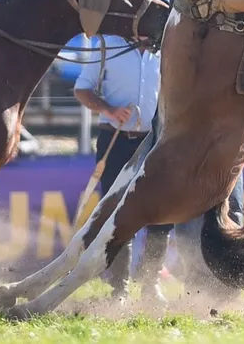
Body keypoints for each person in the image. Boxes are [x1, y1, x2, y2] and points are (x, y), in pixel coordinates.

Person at [74, 34, 167, 302]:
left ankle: (151, 284)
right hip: (116, 141)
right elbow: (83, 89)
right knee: (117, 213)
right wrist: (110, 110)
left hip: (154, 141)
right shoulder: (107, 44)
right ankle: (119, 289)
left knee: (162, 213)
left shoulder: (166, 47)